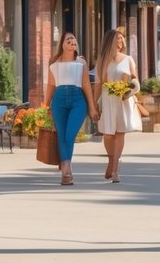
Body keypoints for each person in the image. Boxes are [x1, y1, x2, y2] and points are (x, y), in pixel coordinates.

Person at [45, 32, 99, 185]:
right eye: (68, 39)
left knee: (69, 135)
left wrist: (92, 107)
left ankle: (65, 166)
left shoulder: (81, 63)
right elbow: (50, 86)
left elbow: (86, 85)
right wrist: (46, 105)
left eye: (74, 39)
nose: (72, 41)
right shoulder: (54, 64)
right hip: (59, 100)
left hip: (77, 100)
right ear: (62, 44)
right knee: (62, 136)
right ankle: (66, 171)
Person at [93, 28, 141, 184]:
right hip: (107, 99)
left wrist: (130, 88)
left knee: (120, 133)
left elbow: (135, 80)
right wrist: (94, 104)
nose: (120, 42)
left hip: (122, 99)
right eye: (117, 39)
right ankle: (111, 160)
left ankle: (115, 169)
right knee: (108, 134)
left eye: (121, 39)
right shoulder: (102, 60)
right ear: (109, 42)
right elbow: (99, 84)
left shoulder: (128, 59)